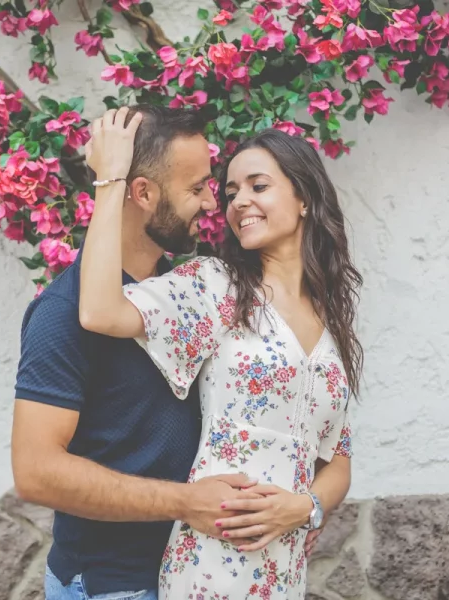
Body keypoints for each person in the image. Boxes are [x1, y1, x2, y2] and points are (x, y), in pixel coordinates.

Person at [79, 107, 360, 599]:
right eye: (231, 192)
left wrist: (306, 508)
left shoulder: (331, 322)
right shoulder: (217, 287)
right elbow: (101, 311)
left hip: (285, 572)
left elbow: (337, 459)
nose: (238, 203)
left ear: (304, 200)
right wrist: (111, 180)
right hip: (212, 565)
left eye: (258, 186)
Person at [11, 105, 269, 600]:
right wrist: (187, 502)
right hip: (116, 585)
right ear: (143, 193)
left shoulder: (185, 291)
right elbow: (35, 471)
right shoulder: (62, 313)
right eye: (196, 189)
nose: (211, 204)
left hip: (195, 575)